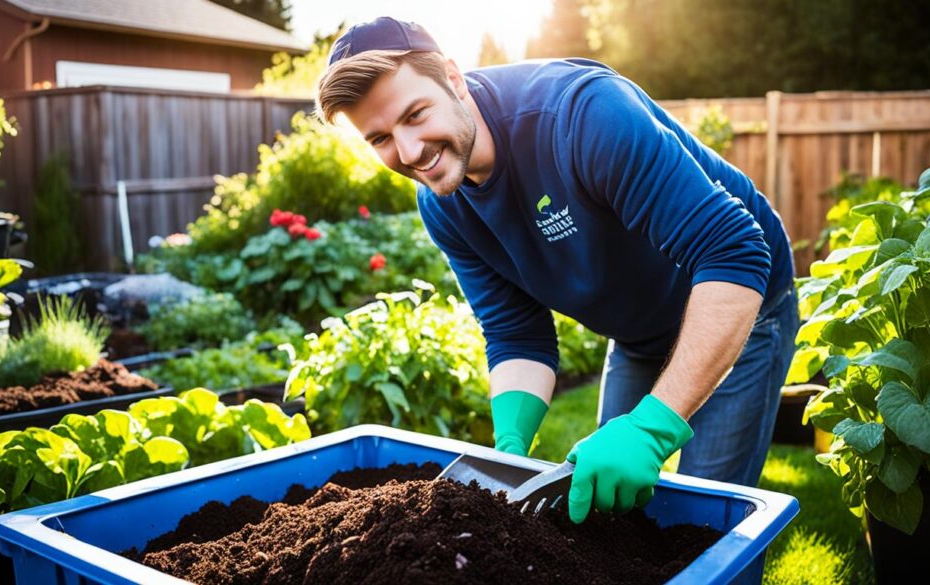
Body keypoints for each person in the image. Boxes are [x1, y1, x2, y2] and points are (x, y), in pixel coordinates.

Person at [315, 17, 798, 524]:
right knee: (608, 508)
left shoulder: (583, 115)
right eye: (380, 139)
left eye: (415, 114)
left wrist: (653, 430)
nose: (409, 151)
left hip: (742, 300)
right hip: (638, 330)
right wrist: (508, 450)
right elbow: (516, 333)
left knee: (706, 521)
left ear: (453, 79)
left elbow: (735, 251)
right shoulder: (444, 204)